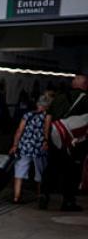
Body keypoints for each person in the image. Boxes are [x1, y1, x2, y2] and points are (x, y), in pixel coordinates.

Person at [40, 75, 87, 212]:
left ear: (73, 84)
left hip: (55, 137)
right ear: (85, 85)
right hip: (75, 143)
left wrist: (46, 139)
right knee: (72, 172)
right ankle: (68, 201)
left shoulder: (59, 98)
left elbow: (48, 119)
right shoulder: (86, 100)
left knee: (51, 167)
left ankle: (44, 194)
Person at [10, 92, 51, 204]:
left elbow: (19, 131)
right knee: (40, 173)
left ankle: (16, 197)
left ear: (38, 104)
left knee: (19, 172)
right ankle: (40, 197)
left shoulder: (27, 115)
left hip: (24, 146)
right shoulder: (47, 116)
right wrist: (46, 142)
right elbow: (46, 131)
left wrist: (14, 145)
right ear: (47, 106)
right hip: (39, 147)